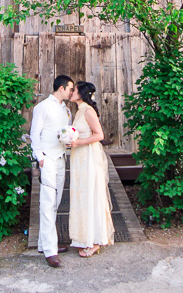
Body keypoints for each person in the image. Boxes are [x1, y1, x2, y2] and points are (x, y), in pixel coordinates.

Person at [29, 74, 74, 268]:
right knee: (47, 202)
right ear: (62, 88)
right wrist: (40, 157)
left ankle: (44, 243)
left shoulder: (66, 110)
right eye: (70, 88)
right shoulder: (43, 107)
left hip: (61, 159)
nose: (72, 92)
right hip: (47, 159)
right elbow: (34, 133)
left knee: (55, 202)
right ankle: (50, 251)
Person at [68, 81, 115, 257]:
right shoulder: (79, 111)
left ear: (82, 94)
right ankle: (84, 237)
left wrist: (78, 142)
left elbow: (99, 135)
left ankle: (96, 240)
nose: (72, 92)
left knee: (91, 195)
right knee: (82, 196)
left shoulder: (88, 110)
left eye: (75, 90)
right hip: (79, 158)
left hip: (89, 156)